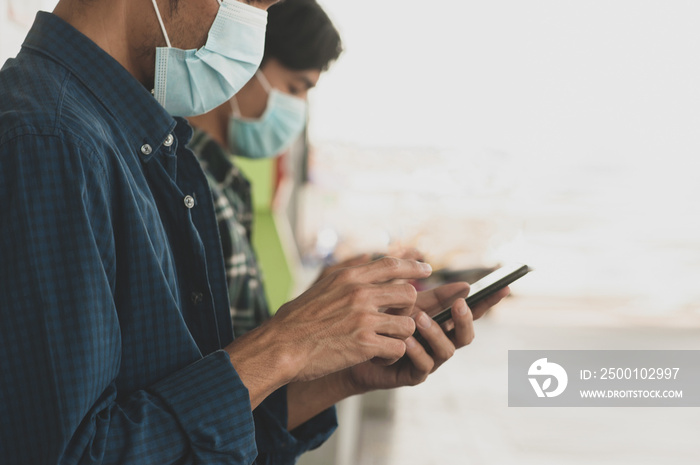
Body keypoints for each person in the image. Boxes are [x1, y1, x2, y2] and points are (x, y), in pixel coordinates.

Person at [0, 1, 509, 465]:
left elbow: (174, 423)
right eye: (250, 2)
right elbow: (75, 455)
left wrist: (338, 374)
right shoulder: (51, 143)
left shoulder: (131, 143)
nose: (251, 29)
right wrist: (288, 342)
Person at [187, 0, 344, 337]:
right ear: (245, 58)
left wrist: (321, 301)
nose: (297, 109)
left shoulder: (226, 181)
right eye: (294, 88)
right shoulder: (179, 176)